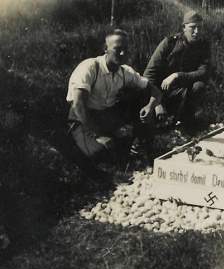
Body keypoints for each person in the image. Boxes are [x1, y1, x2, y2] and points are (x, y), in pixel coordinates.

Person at [66, 29, 162, 175]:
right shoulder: (90, 67)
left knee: (141, 97)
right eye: (117, 49)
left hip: (106, 117)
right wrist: (97, 134)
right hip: (83, 119)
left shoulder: (125, 72)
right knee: (97, 157)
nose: (123, 54)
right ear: (105, 49)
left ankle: (145, 148)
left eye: (126, 50)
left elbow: (155, 91)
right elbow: (78, 105)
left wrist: (150, 106)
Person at [143, 11, 211, 132]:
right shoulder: (169, 43)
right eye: (192, 27)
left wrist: (177, 75)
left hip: (183, 90)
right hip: (161, 91)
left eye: (199, 27)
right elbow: (149, 74)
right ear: (184, 27)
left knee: (199, 86)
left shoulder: (203, 45)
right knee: (152, 126)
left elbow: (204, 71)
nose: (197, 32)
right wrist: (157, 103)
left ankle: (185, 121)